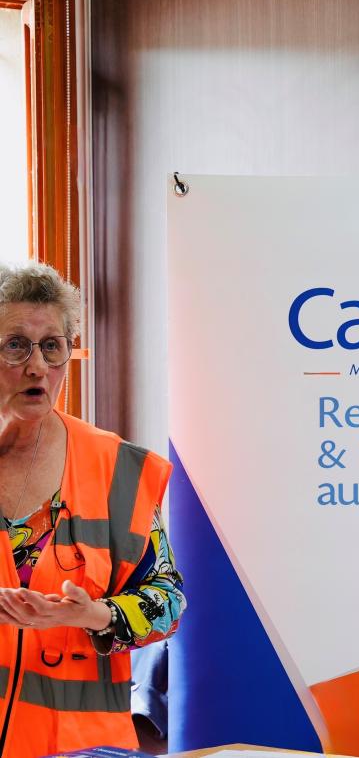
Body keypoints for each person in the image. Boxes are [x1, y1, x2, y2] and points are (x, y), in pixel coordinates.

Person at [0, 261, 185, 758]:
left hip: (81, 747)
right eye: (15, 345)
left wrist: (98, 614)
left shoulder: (116, 466)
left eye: (52, 346)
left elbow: (168, 602)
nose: (37, 366)